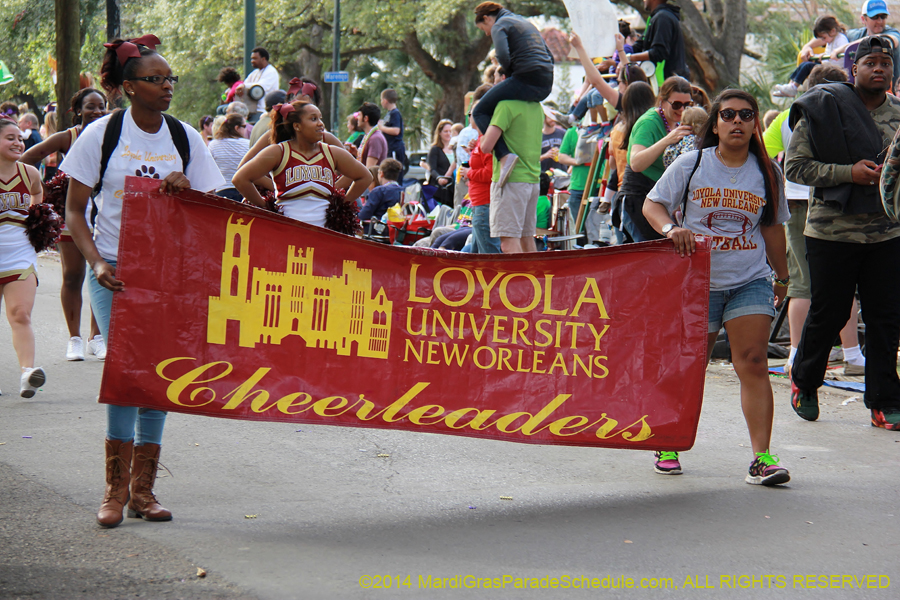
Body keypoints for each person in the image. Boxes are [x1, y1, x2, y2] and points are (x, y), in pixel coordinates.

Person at [60, 35, 226, 527]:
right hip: (114, 271)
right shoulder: (103, 135)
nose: (167, 87)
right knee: (128, 374)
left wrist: (186, 189)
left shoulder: (184, 138)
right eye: (156, 80)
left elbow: (211, 208)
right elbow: (73, 210)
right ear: (130, 88)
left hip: (167, 275)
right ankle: (113, 491)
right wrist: (95, 263)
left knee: (161, 376)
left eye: (170, 79)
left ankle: (143, 493)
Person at [644, 89, 791, 485]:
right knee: (691, 368)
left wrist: (782, 276)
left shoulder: (767, 171)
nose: (738, 121)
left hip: (750, 280)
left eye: (747, 114)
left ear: (756, 122)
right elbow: (652, 204)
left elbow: (773, 228)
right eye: (729, 115)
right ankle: (669, 440)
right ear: (715, 123)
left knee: (754, 362)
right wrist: (671, 228)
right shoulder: (692, 165)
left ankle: (762, 458)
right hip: (697, 283)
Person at [785, 35, 900, 430]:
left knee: (886, 319)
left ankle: (883, 402)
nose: (879, 68)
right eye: (871, 62)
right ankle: (805, 382)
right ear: (855, 70)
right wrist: (847, 174)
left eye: (886, 63)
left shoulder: (899, 115)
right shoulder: (824, 108)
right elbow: (795, 168)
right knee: (828, 312)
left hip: (887, 234)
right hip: (831, 233)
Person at [762, 64, 865, 377]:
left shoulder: (788, 115)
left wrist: (777, 187)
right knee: (838, 282)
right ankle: (850, 354)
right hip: (834, 203)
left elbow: (761, 153)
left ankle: (797, 354)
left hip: (796, 204)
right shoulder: (851, 114)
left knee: (804, 284)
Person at [20, 88, 108, 362]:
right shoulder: (67, 137)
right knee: (72, 276)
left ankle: (97, 337)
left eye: (100, 107)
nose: (96, 111)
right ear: (77, 111)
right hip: (72, 214)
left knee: (102, 275)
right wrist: (41, 191)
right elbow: (27, 158)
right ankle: (75, 339)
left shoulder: (113, 136)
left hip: (106, 215)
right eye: (90, 107)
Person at [232, 101, 371, 226]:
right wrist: (265, 207)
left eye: (320, 118)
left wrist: (341, 204)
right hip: (287, 232)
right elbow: (240, 179)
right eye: (313, 119)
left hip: (325, 233)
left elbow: (365, 177)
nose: (320, 123)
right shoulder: (279, 152)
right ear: (297, 126)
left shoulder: (332, 153)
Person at [472, 2, 554, 187]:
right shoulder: (525, 22)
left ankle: (504, 154)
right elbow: (550, 55)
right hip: (545, 84)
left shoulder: (500, 24)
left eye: (484, 28)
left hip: (525, 78)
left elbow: (501, 54)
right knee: (508, 101)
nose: (486, 33)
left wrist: (509, 74)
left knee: (479, 112)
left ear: (486, 18)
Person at [0, 116, 47, 398]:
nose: (18, 142)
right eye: (10, 138)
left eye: (20, 138)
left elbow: (37, 193)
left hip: (19, 253)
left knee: (20, 314)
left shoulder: (30, 173)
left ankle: (27, 374)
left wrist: (38, 216)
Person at [622, 76, 694, 242]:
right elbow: (636, 163)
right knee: (648, 256)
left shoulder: (678, 123)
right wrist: (668, 140)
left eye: (687, 105)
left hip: (660, 200)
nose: (682, 109)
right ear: (662, 101)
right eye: (676, 104)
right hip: (637, 198)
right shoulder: (649, 122)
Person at [481, 98, 543, 253]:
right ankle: (534, 277)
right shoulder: (536, 105)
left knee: (508, 242)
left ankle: (519, 278)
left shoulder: (505, 105)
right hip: (531, 179)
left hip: (511, 179)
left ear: (504, 78)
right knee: (526, 239)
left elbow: (486, 146)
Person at [462, 84, 500, 254]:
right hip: (479, 203)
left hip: (485, 204)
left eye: (472, 113)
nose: (471, 116)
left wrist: (468, 173)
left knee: (489, 254)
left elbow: (490, 173)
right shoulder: (480, 140)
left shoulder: (486, 141)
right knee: (477, 253)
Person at [772, 15, 849, 98]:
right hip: (827, 65)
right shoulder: (830, 41)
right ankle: (791, 84)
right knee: (805, 64)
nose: (823, 41)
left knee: (807, 66)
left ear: (833, 31)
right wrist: (823, 55)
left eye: (824, 38)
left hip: (833, 69)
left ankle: (794, 87)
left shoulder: (841, 39)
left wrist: (832, 55)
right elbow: (828, 53)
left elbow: (843, 51)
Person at [621, 0, 689, 81]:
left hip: (667, 83)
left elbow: (658, 52)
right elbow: (639, 46)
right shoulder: (656, 17)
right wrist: (619, 53)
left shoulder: (663, 18)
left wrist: (629, 58)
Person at [838, 0, 900, 88]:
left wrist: (842, 48)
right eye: (875, 17)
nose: (879, 21)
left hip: (888, 92)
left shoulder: (892, 33)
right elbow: (832, 32)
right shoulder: (858, 34)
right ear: (863, 19)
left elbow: (887, 41)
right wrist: (810, 46)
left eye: (883, 16)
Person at [208, 113, 250, 202]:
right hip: (244, 191)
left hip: (222, 190)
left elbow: (209, 169)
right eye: (244, 126)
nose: (246, 129)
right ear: (237, 128)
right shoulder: (247, 144)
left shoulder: (213, 145)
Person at [235, 47, 280, 120]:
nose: (252, 61)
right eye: (251, 59)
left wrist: (244, 86)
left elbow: (261, 86)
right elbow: (245, 83)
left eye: (255, 59)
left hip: (263, 111)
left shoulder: (271, 72)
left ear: (263, 59)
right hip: (251, 110)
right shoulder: (255, 73)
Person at [359, 158, 404, 222]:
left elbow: (364, 215)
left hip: (376, 228)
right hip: (396, 227)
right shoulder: (401, 190)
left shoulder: (379, 191)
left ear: (381, 173)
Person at [378, 89, 408, 179]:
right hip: (389, 147)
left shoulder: (395, 113)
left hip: (395, 148)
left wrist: (381, 127)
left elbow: (396, 130)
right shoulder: (389, 114)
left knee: (394, 174)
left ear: (385, 100)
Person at [427, 119, 456, 206]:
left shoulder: (456, 148)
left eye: (450, 131)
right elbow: (432, 169)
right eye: (445, 131)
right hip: (442, 189)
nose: (448, 134)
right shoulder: (435, 149)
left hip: (455, 187)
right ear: (439, 133)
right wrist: (439, 178)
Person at [356, 102, 388, 168]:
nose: (357, 118)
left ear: (365, 118)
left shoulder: (375, 138)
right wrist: (355, 152)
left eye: (359, 115)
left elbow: (370, 170)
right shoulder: (371, 136)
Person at [540, 105, 565, 172]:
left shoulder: (562, 133)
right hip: (544, 174)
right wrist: (545, 155)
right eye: (550, 117)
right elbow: (532, 159)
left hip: (562, 174)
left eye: (554, 116)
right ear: (544, 118)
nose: (553, 119)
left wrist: (560, 153)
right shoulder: (538, 136)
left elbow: (571, 153)